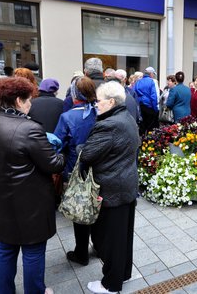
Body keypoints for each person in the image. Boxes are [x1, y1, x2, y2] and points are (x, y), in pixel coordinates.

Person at [0, 78, 65, 294]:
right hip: (30, 201)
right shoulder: (29, 128)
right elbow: (53, 164)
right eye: (29, 100)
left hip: (0, 197)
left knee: (6, 249)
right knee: (33, 250)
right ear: (19, 101)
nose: (31, 104)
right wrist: (61, 153)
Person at [80, 81, 139, 294]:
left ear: (111, 102)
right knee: (123, 236)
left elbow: (87, 154)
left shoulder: (109, 124)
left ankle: (111, 285)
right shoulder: (127, 117)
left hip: (112, 188)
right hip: (126, 184)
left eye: (99, 101)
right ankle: (123, 273)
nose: (96, 105)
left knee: (112, 239)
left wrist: (79, 147)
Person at [53, 76, 97, 267]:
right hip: (99, 168)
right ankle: (99, 246)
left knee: (80, 211)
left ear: (74, 95)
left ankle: (81, 253)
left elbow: (56, 143)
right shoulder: (100, 112)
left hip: (75, 170)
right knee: (97, 207)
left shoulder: (68, 117)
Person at [133, 67, 159, 134]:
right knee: (150, 128)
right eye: (153, 74)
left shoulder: (138, 82)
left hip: (140, 106)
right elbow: (154, 96)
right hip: (149, 106)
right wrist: (155, 109)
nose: (153, 75)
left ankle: (141, 141)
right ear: (150, 74)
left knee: (142, 126)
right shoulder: (151, 81)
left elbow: (133, 94)